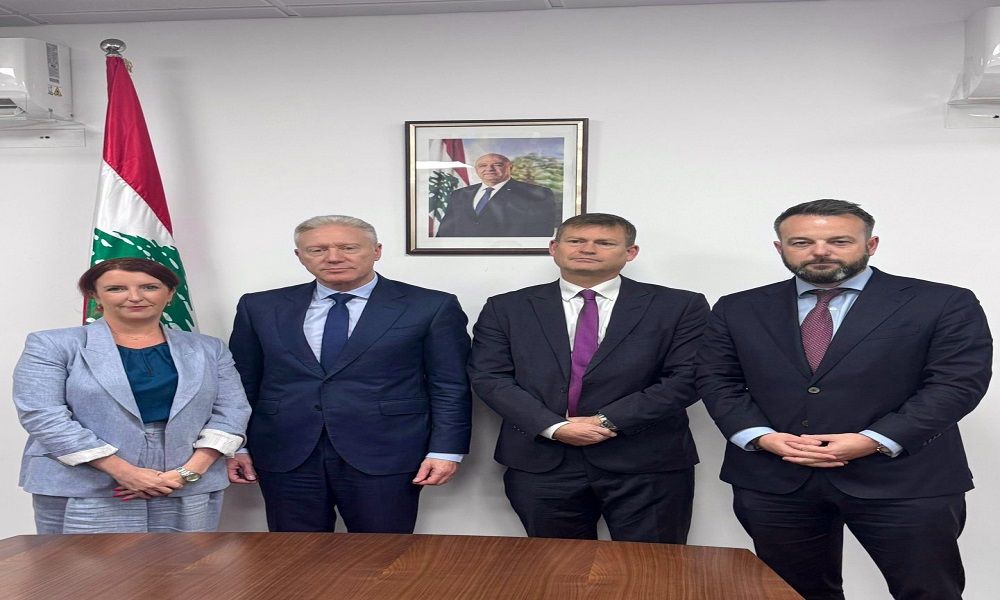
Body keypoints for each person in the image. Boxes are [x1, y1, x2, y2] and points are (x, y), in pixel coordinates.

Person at [696, 199, 992, 600]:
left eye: (839, 241)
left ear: (871, 245)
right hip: (776, 478)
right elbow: (717, 379)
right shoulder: (738, 307)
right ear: (780, 248)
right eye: (802, 242)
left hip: (904, 479)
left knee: (928, 592)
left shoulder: (941, 302)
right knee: (793, 594)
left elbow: (956, 383)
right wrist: (760, 436)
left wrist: (874, 440)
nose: (820, 251)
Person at [468, 213, 709, 542]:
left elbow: (688, 377)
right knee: (558, 566)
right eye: (576, 241)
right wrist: (555, 426)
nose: (588, 249)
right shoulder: (507, 307)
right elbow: (490, 377)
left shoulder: (680, 306)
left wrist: (607, 420)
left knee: (651, 567)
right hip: (542, 460)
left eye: (604, 243)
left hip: (647, 462)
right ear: (554, 248)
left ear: (631, 252)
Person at [228, 215, 471, 533]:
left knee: (381, 553)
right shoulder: (259, 306)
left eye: (348, 247)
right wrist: (237, 444)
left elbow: (449, 385)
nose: (333, 257)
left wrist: (445, 450)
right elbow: (241, 382)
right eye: (317, 250)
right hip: (285, 452)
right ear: (300, 256)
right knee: (292, 555)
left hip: (387, 451)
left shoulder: (430, 306)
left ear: (376, 251)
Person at [13, 258, 250, 534]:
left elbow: (232, 410)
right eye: (116, 288)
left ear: (170, 294)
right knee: (86, 564)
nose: (135, 297)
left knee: (184, 562)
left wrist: (188, 472)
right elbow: (42, 415)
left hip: (185, 481)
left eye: (149, 287)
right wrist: (124, 472)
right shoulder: (51, 344)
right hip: (84, 482)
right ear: (94, 295)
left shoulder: (209, 348)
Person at [436, 153, 558, 238]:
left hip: (509, 257)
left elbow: (542, 232)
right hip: (461, 256)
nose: (489, 169)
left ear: (510, 167)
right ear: (476, 169)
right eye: (482, 165)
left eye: (498, 165)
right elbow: (445, 232)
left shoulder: (535, 193)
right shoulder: (459, 194)